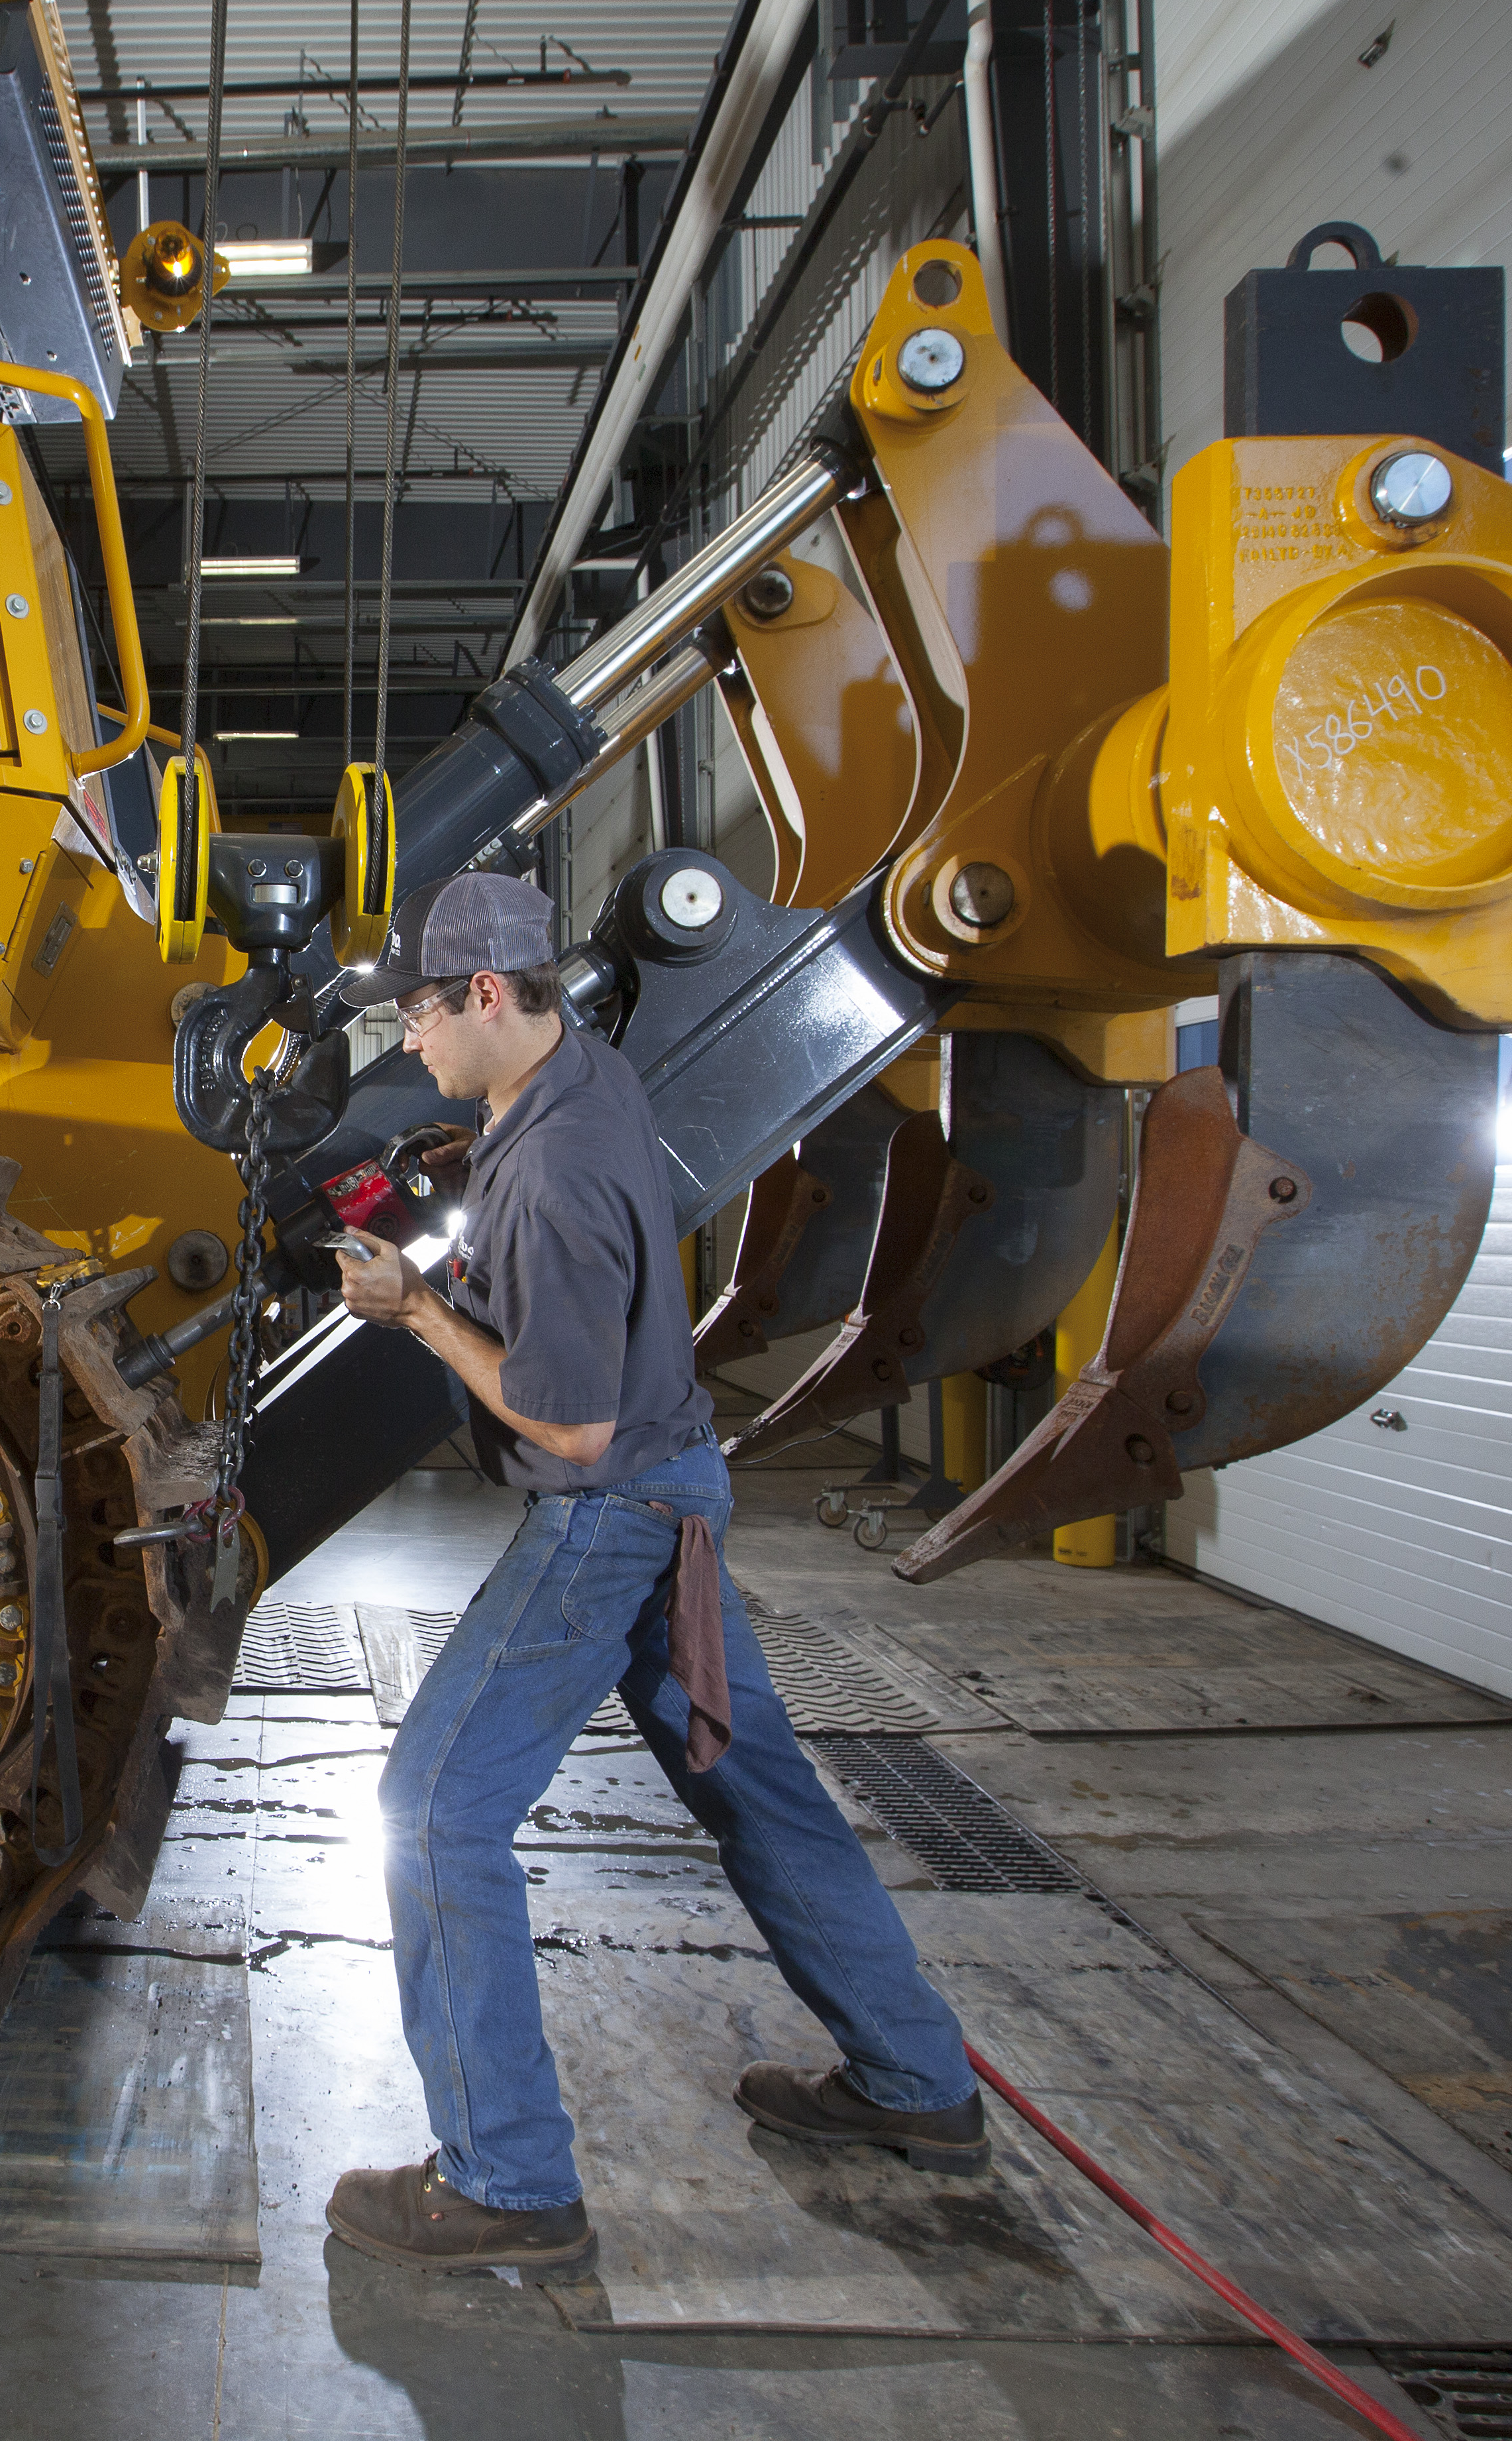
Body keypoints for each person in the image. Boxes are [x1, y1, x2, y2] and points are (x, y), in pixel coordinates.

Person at [315, 870, 983, 2277]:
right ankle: (918, 2085)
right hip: (682, 1495)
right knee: (764, 1794)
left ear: (489, 995)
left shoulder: (552, 1172)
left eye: (425, 1015)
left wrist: (421, 1308)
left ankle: (507, 2181)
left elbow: (570, 1424)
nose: (413, 1042)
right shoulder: (580, 1080)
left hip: (612, 1512)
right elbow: (543, 1198)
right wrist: (451, 1167)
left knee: (435, 1817)